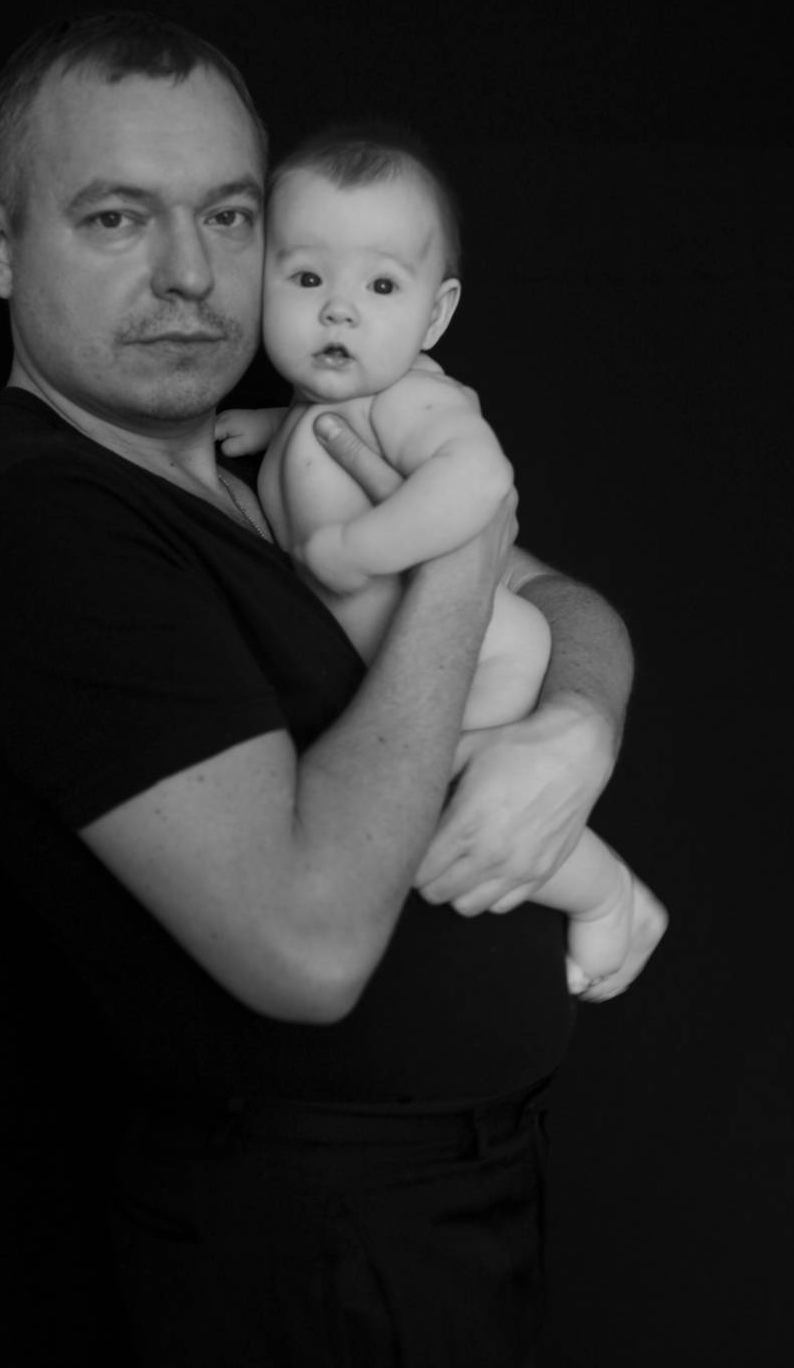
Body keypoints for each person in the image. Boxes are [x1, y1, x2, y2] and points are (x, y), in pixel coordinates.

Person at [0, 10, 666, 1365]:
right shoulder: (42, 528)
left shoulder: (257, 454)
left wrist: (576, 726)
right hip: (311, 1247)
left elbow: (568, 605)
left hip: (429, 1217)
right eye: (117, 219)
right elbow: (305, 953)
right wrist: (459, 558)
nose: (191, 273)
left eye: (230, 216)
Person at [215, 126, 655, 993]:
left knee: (453, 807)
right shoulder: (324, 407)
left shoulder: (414, 396)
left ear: (436, 313)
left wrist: (358, 548)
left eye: (381, 285)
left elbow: (478, 479)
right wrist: (268, 429)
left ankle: (609, 896)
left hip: (486, 653)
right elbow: (316, 433)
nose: (339, 310)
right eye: (306, 279)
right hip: (432, 657)